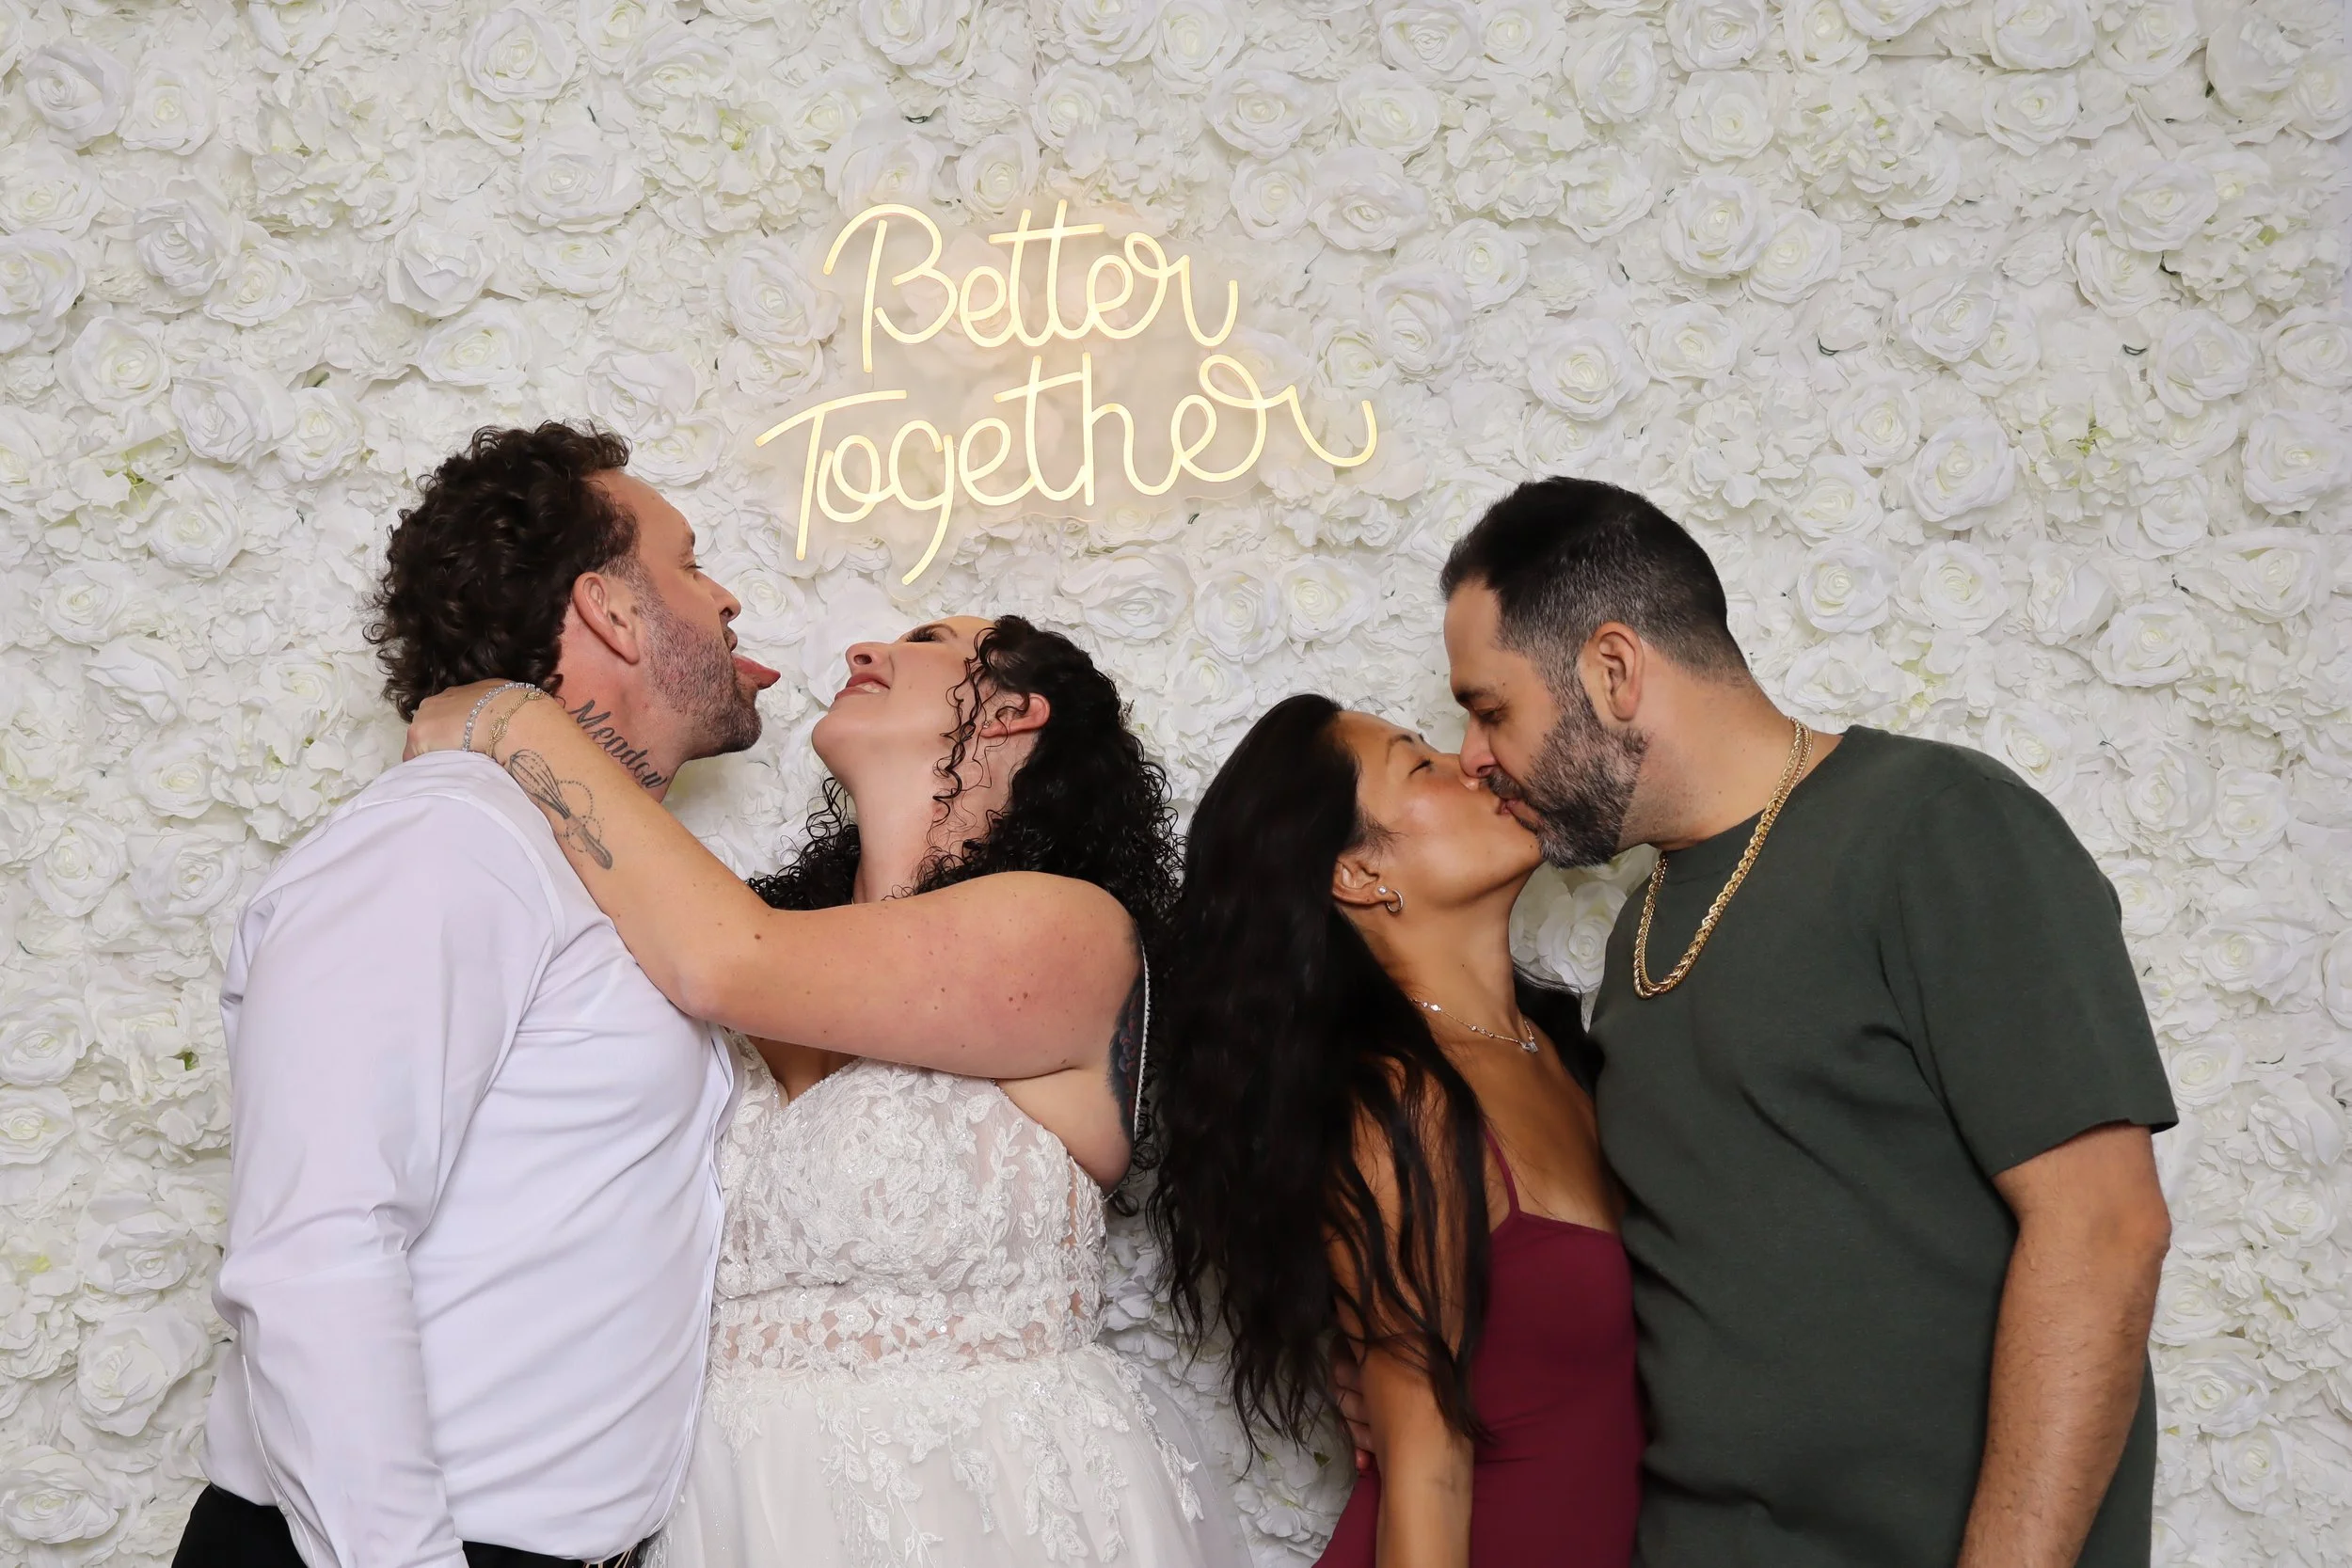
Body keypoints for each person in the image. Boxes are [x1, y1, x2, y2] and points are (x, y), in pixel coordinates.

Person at [1436, 475, 2177, 1568]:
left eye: (1489, 705)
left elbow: (2104, 1228)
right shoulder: (1643, 926)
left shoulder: (1935, 824)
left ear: (1612, 668)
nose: (1470, 754)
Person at [403, 617, 1247, 1568]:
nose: (862, 652)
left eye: (926, 638)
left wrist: (517, 718)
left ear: (1014, 711)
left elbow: (728, 962)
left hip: (977, 1495)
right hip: (717, 1507)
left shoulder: (1067, 926)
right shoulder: (751, 933)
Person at [178, 423, 781, 1568]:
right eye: (692, 563)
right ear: (608, 608)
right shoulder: (445, 836)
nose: (726, 596)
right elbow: (315, 1243)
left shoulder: (615, 879)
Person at [1149, 693, 1641, 1568]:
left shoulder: (1565, 1053)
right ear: (1355, 874)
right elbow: (1428, 1472)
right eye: (1421, 764)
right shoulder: (1398, 1099)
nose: (1475, 764)